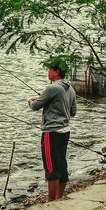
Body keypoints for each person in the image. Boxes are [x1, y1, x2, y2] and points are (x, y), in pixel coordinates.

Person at [28, 58, 77, 201]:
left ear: (56, 72)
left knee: (51, 168)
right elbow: (73, 112)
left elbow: (35, 106)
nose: (48, 72)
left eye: (49, 69)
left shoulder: (52, 88)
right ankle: (59, 197)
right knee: (61, 163)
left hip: (52, 133)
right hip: (65, 131)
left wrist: (30, 100)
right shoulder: (70, 89)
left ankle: (51, 201)